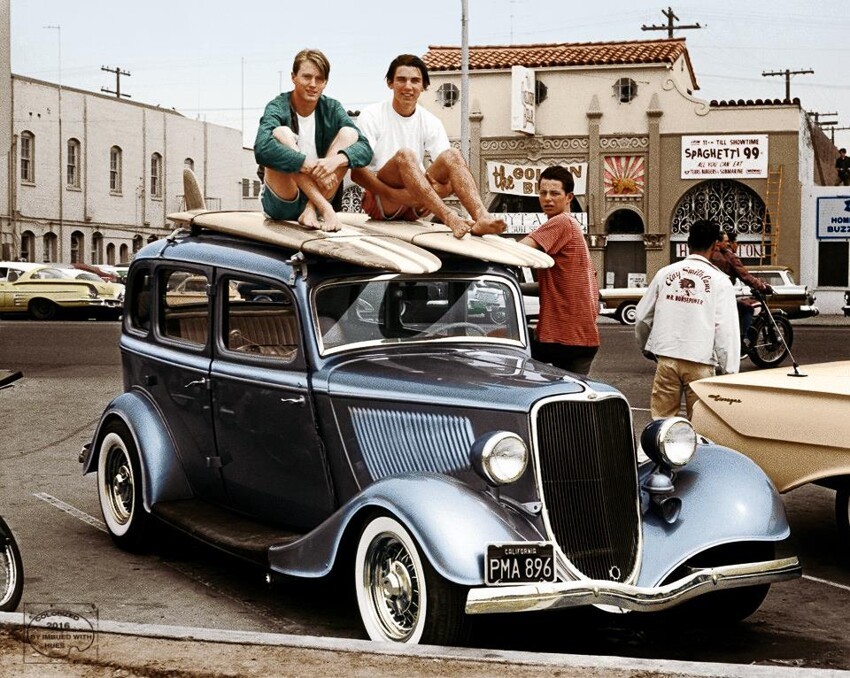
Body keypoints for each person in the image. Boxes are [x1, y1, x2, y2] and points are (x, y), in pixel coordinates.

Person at [351, 54, 506, 239]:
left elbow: (449, 180)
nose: (408, 86)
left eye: (415, 81)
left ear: (423, 86)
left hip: (417, 205)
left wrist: (423, 192)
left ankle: (481, 217)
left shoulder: (430, 121)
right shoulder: (371, 115)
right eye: (401, 80)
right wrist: (395, 194)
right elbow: (357, 172)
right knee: (406, 156)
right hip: (382, 200)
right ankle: (449, 217)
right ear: (390, 83)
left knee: (453, 155)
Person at [254, 49, 372, 232]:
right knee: (280, 133)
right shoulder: (278, 106)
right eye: (306, 77)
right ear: (293, 77)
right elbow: (261, 148)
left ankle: (311, 209)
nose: (313, 84)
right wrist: (307, 164)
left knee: (349, 134)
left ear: (325, 82)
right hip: (284, 200)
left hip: (318, 200)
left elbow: (365, 149)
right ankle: (325, 209)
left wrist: (333, 162)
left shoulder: (331, 108)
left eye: (319, 79)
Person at [635, 219, 740, 420]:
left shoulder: (665, 274)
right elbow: (726, 330)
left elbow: (642, 317)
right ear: (714, 246)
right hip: (701, 361)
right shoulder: (720, 281)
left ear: (688, 243)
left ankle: (660, 451)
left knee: (662, 423)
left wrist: (647, 347)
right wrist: (730, 372)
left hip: (667, 358)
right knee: (700, 424)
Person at [519, 166, 599, 376]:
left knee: (505, 344)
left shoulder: (561, 222)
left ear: (569, 197)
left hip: (564, 337)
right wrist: (516, 289)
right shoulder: (573, 228)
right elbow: (557, 284)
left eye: (555, 193)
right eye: (543, 192)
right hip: (580, 337)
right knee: (570, 402)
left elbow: (517, 251)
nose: (547, 199)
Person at [710, 230, 773, 344]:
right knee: (746, 307)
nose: (729, 244)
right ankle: (743, 339)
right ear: (717, 242)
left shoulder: (709, 253)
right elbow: (745, 275)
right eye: (727, 241)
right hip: (721, 295)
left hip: (710, 295)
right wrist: (762, 286)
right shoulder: (728, 256)